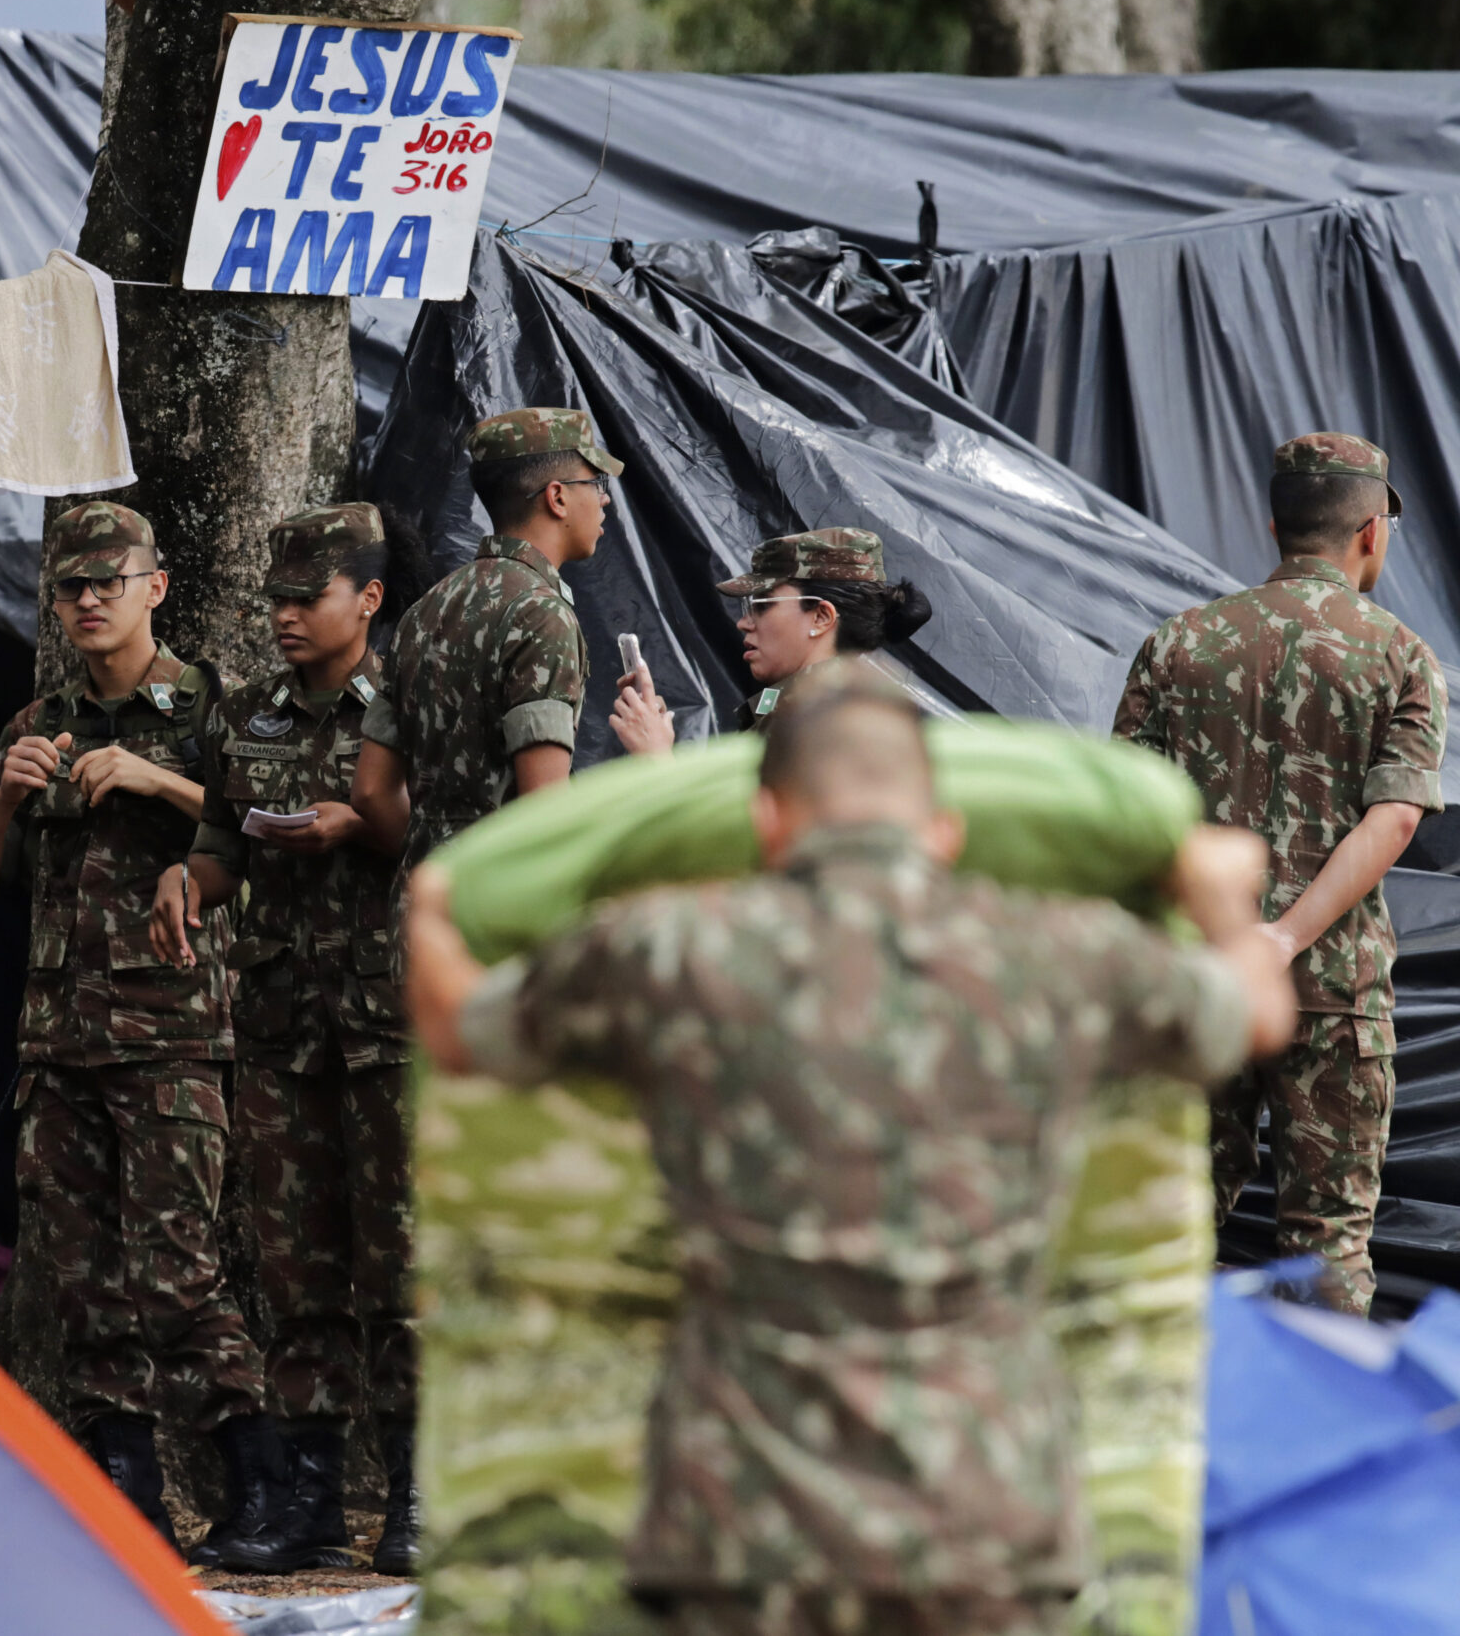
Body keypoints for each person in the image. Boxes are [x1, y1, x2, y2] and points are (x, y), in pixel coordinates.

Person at [409, 667, 1297, 1636]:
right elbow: (1256, 1012)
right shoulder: (1055, 953)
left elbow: (460, 1029)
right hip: (990, 1533)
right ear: (944, 833)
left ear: (769, 826)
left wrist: (428, 911)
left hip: (740, 1539)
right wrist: (1217, 901)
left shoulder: (672, 950)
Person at [0, 501, 292, 1570]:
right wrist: (5, 801)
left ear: (158, 586)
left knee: (179, 1270)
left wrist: (157, 780)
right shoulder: (36, 722)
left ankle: (262, 1487)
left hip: (173, 1038)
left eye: (109, 581)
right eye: (70, 587)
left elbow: (278, 844)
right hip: (59, 1043)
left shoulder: (211, 710)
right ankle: (125, 1495)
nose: (89, 601)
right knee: (87, 1280)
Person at [148, 503, 423, 1575]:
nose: (284, 616)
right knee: (295, 1268)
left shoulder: (406, 706)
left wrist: (364, 822)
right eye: (275, 597)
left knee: (400, 1263)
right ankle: (309, 1498)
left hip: (386, 1026)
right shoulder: (248, 715)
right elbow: (219, 843)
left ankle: (411, 1493)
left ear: (368, 600)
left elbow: (451, 837)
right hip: (278, 1027)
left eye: (306, 597)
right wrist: (187, 878)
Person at [1114, 432, 1448, 1315]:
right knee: (1330, 1243)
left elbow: (1131, 814)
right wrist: (1288, 936)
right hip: (1334, 991)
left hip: (1199, 977)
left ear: (1274, 524)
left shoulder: (1176, 644)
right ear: (1372, 532)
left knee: (1165, 1226)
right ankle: (1327, 1437)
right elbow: (1398, 815)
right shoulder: (1404, 657)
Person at [352, 407, 611, 870]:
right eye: (596, 484)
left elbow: (370, 792)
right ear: (557, 497)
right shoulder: (543, 614)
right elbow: (546, 812)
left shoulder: (425, 609)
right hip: (497, 917)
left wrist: (433, 871)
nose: (605, 500)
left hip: (417, 913)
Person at [608, 527, 933, 754]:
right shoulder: (827, 706)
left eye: (761, 606)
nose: (743, 623)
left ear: (821, 617)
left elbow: (755, 845)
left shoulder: (822, 718)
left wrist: (658, 759)